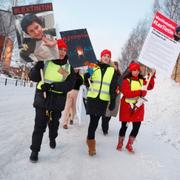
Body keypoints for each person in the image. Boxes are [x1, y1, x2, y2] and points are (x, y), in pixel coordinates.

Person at [28, 39, 76, 162]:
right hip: (42, 99)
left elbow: (69, 85)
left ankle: (52, 137)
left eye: (65, 50)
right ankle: (35, 151)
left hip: (57, 101)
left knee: (54, 125)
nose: (63, 52)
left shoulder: (68, 67)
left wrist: (53, 86)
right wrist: (37, 67)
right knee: (39, 126)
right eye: (60, 49)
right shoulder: (45, 62)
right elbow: (33, 77)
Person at [84, 49, 118, 156]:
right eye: (104, 55)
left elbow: (113, 88)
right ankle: (91, 146)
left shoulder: (113, 71)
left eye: (108, 56)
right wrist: (86, 78)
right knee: (92, 122)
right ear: (101, 56)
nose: (106, 57)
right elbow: (87, 83)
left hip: (103, 100)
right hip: (92, 97)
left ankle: (89, 139)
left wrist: (112, 101)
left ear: (110, 59)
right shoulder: (93, 66)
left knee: (95, 121)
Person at [116, 61, 155, 153]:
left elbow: (150, 86)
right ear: (131, 71)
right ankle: (120, 142)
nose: (136, 72)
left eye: (137, 70)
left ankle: (129, 144)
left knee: (136, 127)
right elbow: (127, 93)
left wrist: (152, 75)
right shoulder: (126, 80)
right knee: (124, 126)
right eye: (134, 70)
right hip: (127, 107)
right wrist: (140, 92)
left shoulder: (142, 80)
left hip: (138, 106)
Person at [102, 61, 122, 135]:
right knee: (106, 112)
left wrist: (119, 88)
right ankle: (105, 128)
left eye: (116, 65)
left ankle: (105, 124)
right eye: (114, 65)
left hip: (116, 95)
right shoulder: (109, 73)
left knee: (111, 112)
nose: (115, 66)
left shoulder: (119, 74)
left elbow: (122, 83)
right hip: (108, 94)